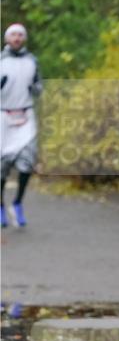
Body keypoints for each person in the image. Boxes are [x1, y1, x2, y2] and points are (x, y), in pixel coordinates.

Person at [1, 24, 43, 228]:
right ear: (7, 38)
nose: (16, 38)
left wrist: (34, 88)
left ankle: (17, 202)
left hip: (26, 115)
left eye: (20, 35)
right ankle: (1, 205)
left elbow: (39, 88)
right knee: (2, 166)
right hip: (3, 116)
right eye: (13, 35)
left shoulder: (31, 61)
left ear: (24, 38)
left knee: (27, 163)